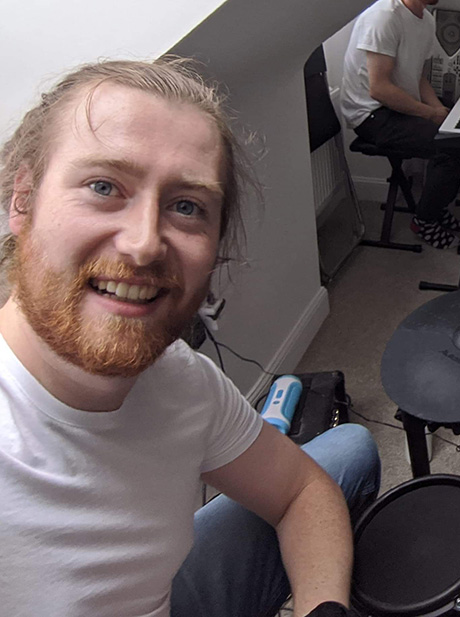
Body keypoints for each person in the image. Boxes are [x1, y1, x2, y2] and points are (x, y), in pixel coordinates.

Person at [0, 59, 380, 616]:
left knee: (351, 451)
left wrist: (322, 608)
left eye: (186, 207)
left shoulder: (182, 378)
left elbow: (302, 491)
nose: (144, 244)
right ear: (23, 200)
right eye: (104, 186)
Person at [340, 0, 460, 249]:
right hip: (371, 115)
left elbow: (417, 77)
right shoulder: (383, 17)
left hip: (396, 103)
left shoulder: (426, 20)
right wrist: (431, 115)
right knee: (450, 147)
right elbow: (379, 89)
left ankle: (436, 207)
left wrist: (438, 110)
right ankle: (424, 220)